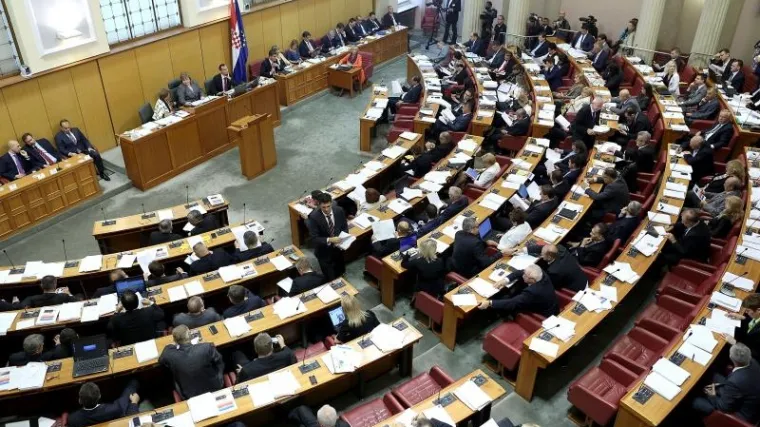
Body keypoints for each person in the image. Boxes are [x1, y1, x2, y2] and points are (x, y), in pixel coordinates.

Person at [692, 343, 760, 424]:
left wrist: (712, 395)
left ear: (731, 358)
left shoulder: (735, 381)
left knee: (696, 401)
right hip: (748, 399)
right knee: (714, 375)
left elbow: (723, 408)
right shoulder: (754, 362)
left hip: (741, 415)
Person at [159, 325, 224, 399]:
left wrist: (170, 346)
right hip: (215, 386)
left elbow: (161, 361)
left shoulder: (169, 354)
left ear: (174, 340)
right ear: (190, 336)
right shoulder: (206, 347)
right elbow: (219, 361)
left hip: (189, 394)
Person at [477, 264, 559, 317]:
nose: (523, 275)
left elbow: (512, 303)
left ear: (532, 280)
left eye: (525, 275)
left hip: (542, 314)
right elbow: (520, 272)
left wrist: (489, 303)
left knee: (506, 300)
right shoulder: (540, 274)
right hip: (550, 304)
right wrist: (505, 280)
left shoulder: (533, 292)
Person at [509, 243, 587, 292]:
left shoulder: (554, 271)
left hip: (577, 289)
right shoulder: (560, 248)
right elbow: (544, 247)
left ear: (549, 257)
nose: (541, 255)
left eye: (542, 255)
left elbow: (552, 286)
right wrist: (523, 250)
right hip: (582, 277)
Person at [307, 192, 348, 280]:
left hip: (338, 248)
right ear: (319, 205)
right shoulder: (314, 217)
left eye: (328, 206)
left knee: (340, 271)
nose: (326, 209)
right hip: (324, 252)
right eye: (323, 207)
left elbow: (344, 226)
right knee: (330, 278)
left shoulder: (339, 210)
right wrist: (330, 240)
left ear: (331, 203)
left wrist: (343, 237)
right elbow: (314, 238)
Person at [67, 381, 140, 427]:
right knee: (133, 383)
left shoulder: (72, 419)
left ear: (79, 401)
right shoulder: (114, 409)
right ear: (100, 396)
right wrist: (134, 403)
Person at [723, 294, 760, 361]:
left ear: (758, 310)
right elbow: (754, 322)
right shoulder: (757, 316)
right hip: (744, 340)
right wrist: (742, 317)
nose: (746, 312)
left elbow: (755, 354)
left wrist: (735, 343)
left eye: (748, 310)